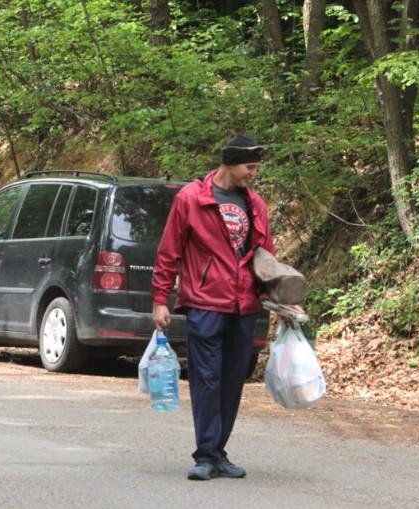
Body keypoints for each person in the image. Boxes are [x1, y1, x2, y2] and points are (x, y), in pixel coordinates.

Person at [151, 133, 275, 481]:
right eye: (250, 166)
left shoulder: (255, 204)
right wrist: (161, 299)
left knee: (232, 381)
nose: (253, 173)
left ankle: (218, 452)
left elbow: (265, 256)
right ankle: (205, 455)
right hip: (205, 302)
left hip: (245, 304)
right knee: (207, 378)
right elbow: (168, 252)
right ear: (231, 162)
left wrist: (279, 295)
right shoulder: (191, 198)